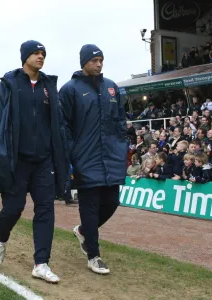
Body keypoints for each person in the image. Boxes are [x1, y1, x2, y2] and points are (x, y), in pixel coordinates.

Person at [0, 40, 68, 283]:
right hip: (16, 160)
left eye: (43, 53)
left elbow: (58, 122)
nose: (41, 56)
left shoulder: (48, 86)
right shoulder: (9, 84)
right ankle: (1, 238)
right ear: (25, 57)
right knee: (13, 208)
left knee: (46, 209)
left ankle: (41, 263)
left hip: (43, 160)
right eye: (36, 53)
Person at [59, 44, 128, 274]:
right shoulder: (70, 89)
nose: (99, 64)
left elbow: (119, 121)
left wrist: (121, 146)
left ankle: (82, 231)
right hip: (85, 158)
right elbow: (63, 126)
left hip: (110, 157)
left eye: (101, 60)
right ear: (84, 62)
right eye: (94, 60)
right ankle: (94, 256)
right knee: (89, 207)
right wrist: (70, 153)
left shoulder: (112, 88)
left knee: (112, 202)